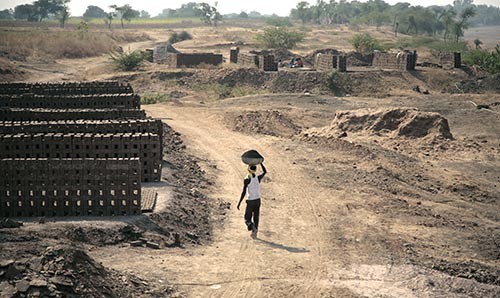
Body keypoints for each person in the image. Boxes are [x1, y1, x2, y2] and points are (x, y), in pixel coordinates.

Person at [237, 163, 267, 238]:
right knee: (256, 216)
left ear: (248, 169)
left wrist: (239, 202)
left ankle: (252, 226)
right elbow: (264, 172)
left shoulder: (247, 179)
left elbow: (244, 192)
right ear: (255, 170)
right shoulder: (258, 178)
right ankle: (255, 231)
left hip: (251, 201)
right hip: (258, 200)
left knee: (247, 218)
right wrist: (261, 163)